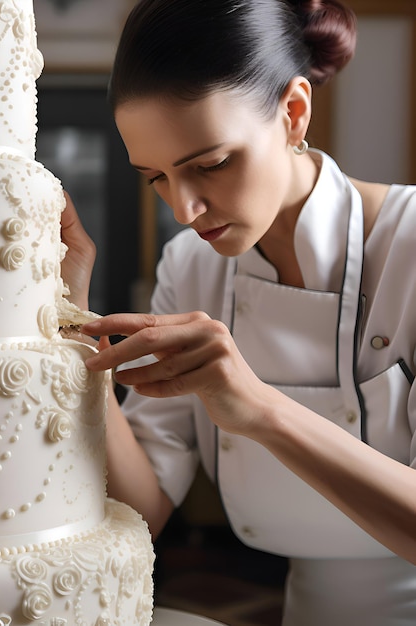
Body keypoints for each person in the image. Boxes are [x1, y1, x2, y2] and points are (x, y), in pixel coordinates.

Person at [59, 0, 416, 624]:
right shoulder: (192, 267)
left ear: (294, 112)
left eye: (211, 164)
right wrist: (72, 319)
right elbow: (142, 512)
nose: (184, 209)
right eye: (156, 178)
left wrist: (259, 409)